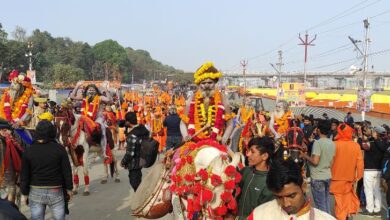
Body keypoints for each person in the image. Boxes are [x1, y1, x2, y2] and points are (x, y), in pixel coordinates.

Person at [20, 120, 73, 220]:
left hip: (35, 190)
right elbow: (66, 171)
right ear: (52, 132)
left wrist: (25, 193)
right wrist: (69, 189)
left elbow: (24, 175)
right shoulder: (59, 149)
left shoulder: (29, 151)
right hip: (56, 189)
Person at [248, 159, 335, 219]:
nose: (286, 204)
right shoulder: (259, 214)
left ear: (304, 187)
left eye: (292, 196)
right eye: (279, 197)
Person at [179, 62, 233, 145]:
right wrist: (186, 135)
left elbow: (230, 124)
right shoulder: (192, 98)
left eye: (210, 83)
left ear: (215, 83)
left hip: (216, 143)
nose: (207, 86)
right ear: (199, 84)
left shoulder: (222, 98)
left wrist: (224, 139)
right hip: (195, 143)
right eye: (203, 83)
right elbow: (183, 123)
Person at [300, 120, 335, 214]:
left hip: (318, 177)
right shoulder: (332, 143)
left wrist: (304, 156)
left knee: (321, 206)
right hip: (327, 175)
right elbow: (332, 162)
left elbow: (315, 161)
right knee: (326, 202)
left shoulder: (318, 143)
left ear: (318, 130)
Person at [234, 137, 275, 220]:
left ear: (264, 156)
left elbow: (262, 216)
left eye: (252, 152)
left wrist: (237, 219)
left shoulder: (269, 183)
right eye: (249, 151)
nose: (248, 154)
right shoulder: (245, 171)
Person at [70, 81, 112, 158]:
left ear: (96, 91)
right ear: (87, 91)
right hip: (85, 117)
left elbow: (109, 100)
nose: (91, 91)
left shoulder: (100, 97)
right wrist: (77, 86)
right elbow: (72, 97)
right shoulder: (84, 97)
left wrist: (105, 90)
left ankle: (103, 151)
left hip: (97, 118)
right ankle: (74, 143)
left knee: (103, 131)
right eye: (90, 90)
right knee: (74, 125)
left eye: (93, 90)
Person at [330, 123, 364, 220]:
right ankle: (346, 214)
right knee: (346, 197)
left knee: (339, 200)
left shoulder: (334, 144)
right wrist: (359, 176)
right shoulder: (356, 146)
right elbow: (360, 163)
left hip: (335, 176)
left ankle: (342, 216)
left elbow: (329, 161)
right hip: (349, 177)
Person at [359, 125, 385, 217]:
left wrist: (362, 138)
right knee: (377, 190)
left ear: (376, 133)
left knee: (368, 190)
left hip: (369, 170)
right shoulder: (385, 143)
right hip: (378, 170)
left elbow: (362, 146)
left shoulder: (371, 143)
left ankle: (369, 210)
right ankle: (377, 210)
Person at [120, 112, 149, 192]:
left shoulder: (132, 135)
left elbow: (130, 154)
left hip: (134, 163)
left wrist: (123, 162)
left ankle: (141, 200)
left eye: (126, 121)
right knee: (138, 181)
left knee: (135, 185)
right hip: (142, 159)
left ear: (128, 122)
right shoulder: (143, 129)